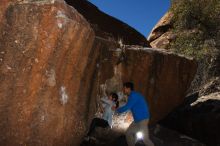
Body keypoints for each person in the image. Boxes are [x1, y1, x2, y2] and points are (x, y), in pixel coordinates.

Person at [116, 82, 154, 146]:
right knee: (128, 133)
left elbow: (127, 107)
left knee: (145, 139)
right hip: (137, 120)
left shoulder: (134, 96)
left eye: (124, 88)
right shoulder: (132, 96)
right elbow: (129, 106)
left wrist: (117, 110)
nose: (123, 90)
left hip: (143, 120)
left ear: (128, 88)